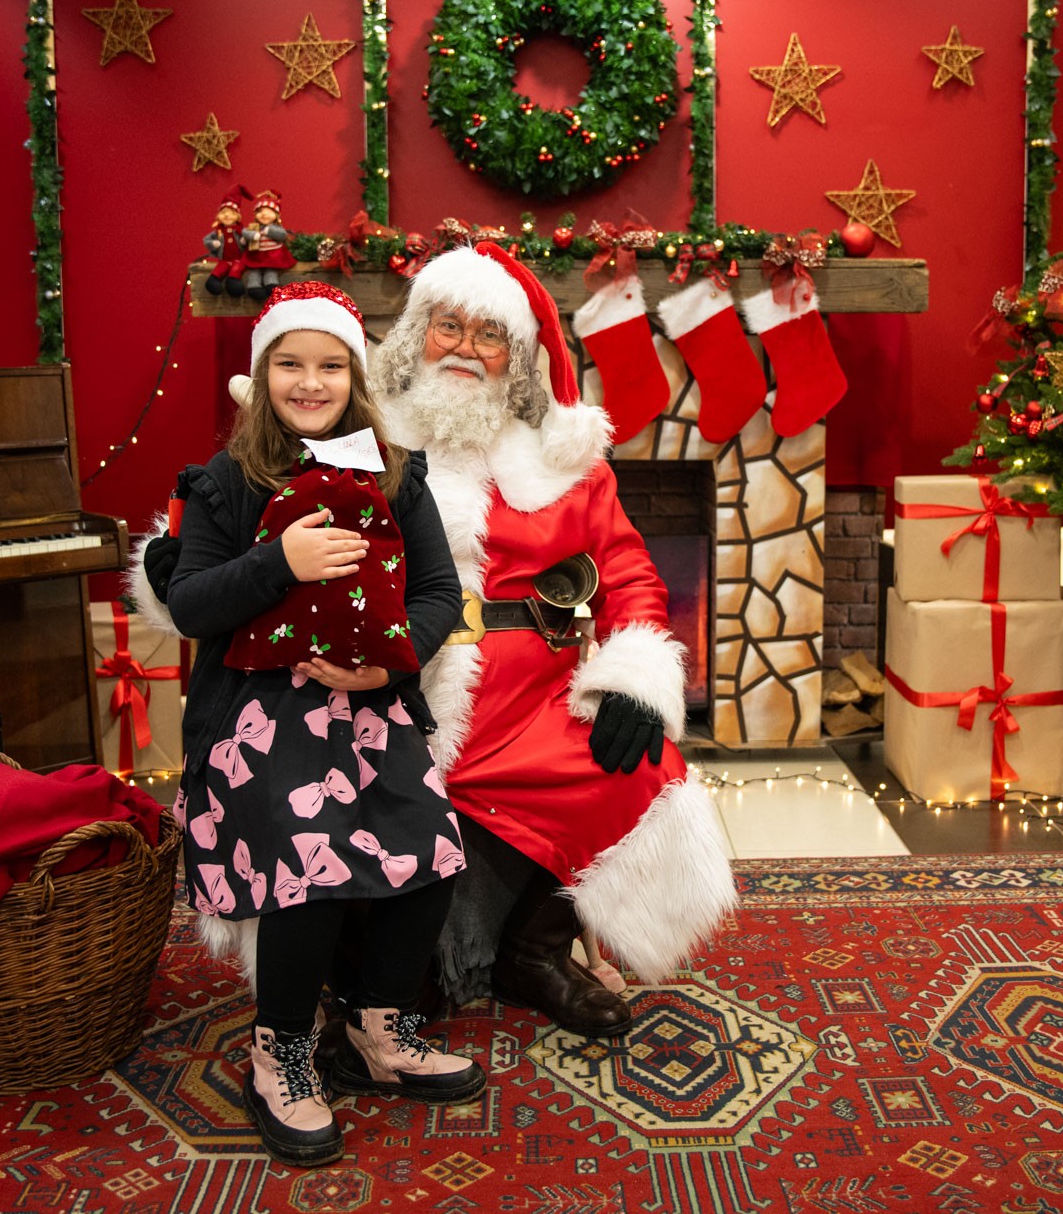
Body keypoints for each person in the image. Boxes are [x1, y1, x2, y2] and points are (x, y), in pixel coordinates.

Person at [135, 281, 480, 1168]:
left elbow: (440, 593)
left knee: (432, 843)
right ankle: (279, 1053)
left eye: (331, 365)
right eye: (290, 363)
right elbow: (189, 604)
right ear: (263, 375)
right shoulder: (224, 483)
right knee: (307, 847)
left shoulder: (395, 474)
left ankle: (378, 1029)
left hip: (367, 702)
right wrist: (277, 561)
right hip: (257, 712)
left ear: (355, 378)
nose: (311, 382)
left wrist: (390, 663)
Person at [365, 241, 736, 1035]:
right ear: (418, 333)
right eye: (448, 326)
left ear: (519, 358)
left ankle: (532, 953)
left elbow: (629, 574)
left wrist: (634, 678)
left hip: (531, 701)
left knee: (642, 766)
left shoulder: (564, 462)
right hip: (396, 692)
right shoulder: (367, 441)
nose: (465, 348)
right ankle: (399, 960)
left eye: (489, 334)